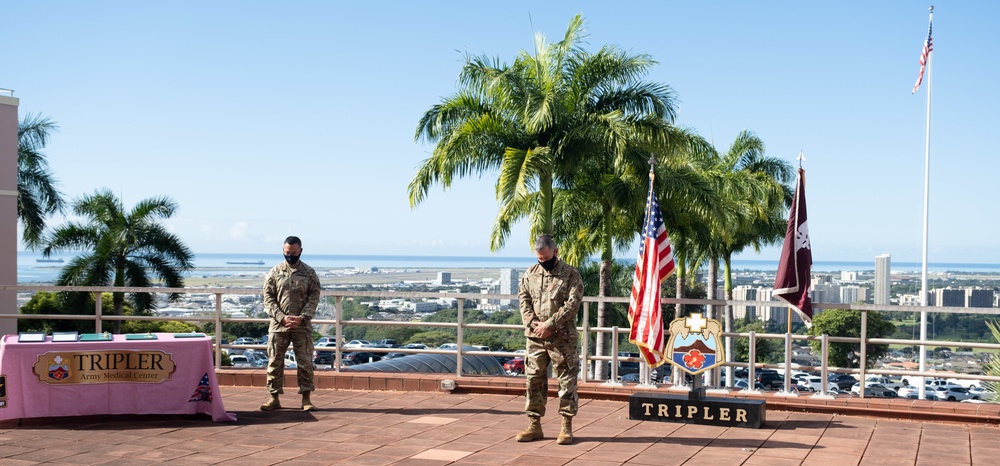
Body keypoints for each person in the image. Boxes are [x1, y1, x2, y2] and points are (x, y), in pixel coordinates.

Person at [516, 234, 584, 445]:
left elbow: (572, 305)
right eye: (539, 259)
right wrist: (533, 324)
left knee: (566, 381)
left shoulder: (571, 274)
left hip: (562, 339)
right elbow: (523, 299)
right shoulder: (531, 273)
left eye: (546, 258)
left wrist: (550, 325)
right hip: (535, 338)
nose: (543, 263)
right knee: (533, 380)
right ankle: (534, 425)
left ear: (555, 252)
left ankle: (566, 426)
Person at [260, 236, 321, 411]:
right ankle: (274, 397)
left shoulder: (309, 273)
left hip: (302, 325)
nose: (290, 256)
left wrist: (302, 317)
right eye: (287, 253)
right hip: (279, 326)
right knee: (275, 362)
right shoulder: (274, 272)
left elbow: (314, 297)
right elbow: (268, 299)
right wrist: (282, 317)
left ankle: (306, 398)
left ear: (300, 251)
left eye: (294, 253)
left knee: (305, 362)